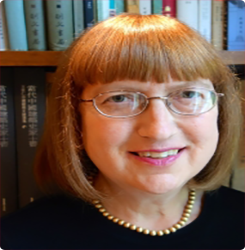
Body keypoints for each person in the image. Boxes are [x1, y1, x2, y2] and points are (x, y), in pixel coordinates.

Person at [1, 14, 244, 249]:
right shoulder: (14, 240)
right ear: (75, 119)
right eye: (120, 98)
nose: (159, 130)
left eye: (188, 95)